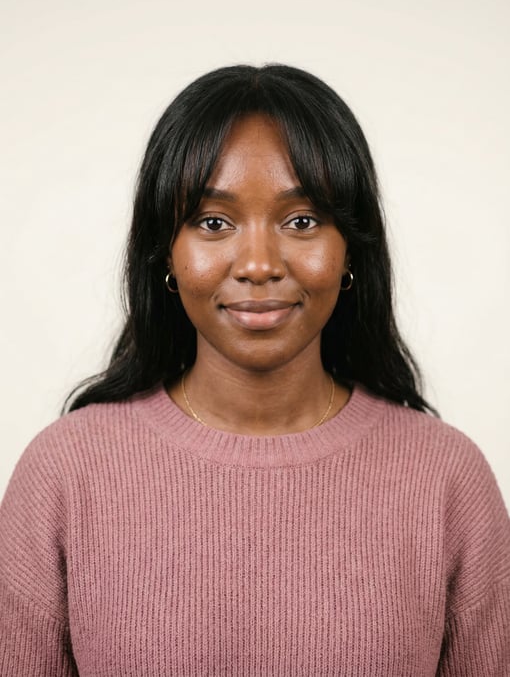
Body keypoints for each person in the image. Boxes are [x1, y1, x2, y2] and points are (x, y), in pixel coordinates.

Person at [0, 64, 509, 676]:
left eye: (302, 221)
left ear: (351, 249)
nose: (260, 264)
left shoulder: (448, 480)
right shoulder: (63, 475)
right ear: (166, 251)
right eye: (213, 222)